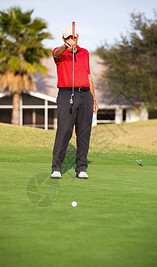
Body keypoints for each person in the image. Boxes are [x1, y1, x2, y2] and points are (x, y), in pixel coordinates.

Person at [51, 26, 98, 179]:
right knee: (64, 131)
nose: (71, 39)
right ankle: (57, 168)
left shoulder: (85, 53)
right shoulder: (59, 53)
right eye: (67, 38)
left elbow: (88, 75)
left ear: (77, 37)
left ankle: (81, 168)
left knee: (84, 133)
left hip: (85, 95)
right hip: (66, 94)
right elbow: (56, 54)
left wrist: (93, 98)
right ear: (63, 39)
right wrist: (65, 47)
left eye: (73, 37)